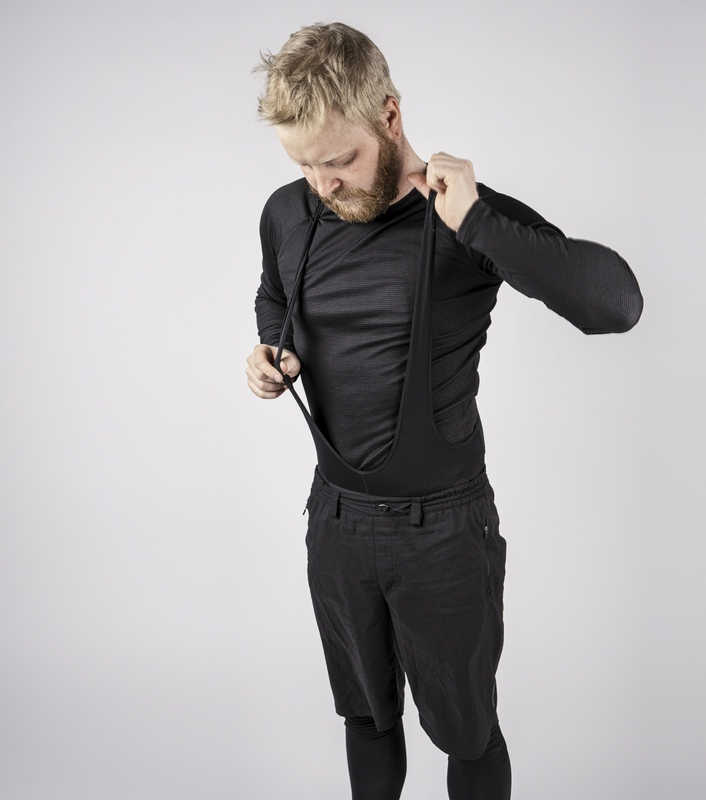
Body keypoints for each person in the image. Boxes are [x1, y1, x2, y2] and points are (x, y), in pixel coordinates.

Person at [245, 22, 642, 800]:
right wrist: (273, 349)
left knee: (466, 730)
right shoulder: (288, 213)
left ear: (389, 116)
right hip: (335, 522)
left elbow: (615, 304)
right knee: (366, 717)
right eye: (303, 165)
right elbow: (273, 293)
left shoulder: (460, 218)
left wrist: (480, 221)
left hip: (443, 533)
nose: (322, 184)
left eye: (339, 160)